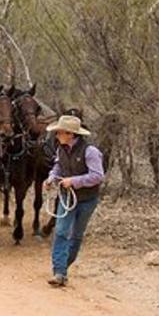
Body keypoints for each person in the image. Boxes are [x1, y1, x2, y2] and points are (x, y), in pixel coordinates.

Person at [44, 113, 103, 288]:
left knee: (76, 235)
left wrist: (74, 181)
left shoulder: (90, 152)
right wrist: (51, 178)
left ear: (71, 134)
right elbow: (58, 166)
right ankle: (59, 271)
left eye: (60, 132)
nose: (57, 135)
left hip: (87, 199)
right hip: (67, 197)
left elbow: (98, 176)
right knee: (61, 231)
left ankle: (63, 268)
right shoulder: (60, 148)